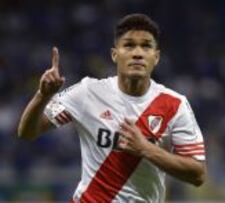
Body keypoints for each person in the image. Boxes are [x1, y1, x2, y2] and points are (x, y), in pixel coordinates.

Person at [17, 13, 206, 203]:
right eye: (129, 45)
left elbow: (197, 175)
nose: (137, 53)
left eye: (146, 45)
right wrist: (42, 96)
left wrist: (145, 148)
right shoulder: (87, 92)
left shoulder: (175, 105)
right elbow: (27, 132)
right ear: (115, 54)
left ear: (156, 57)